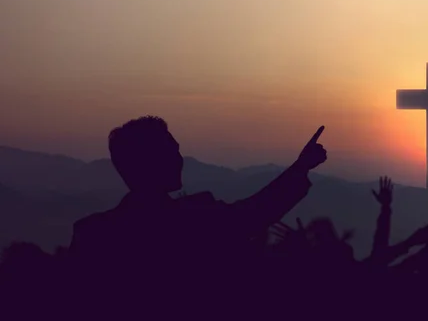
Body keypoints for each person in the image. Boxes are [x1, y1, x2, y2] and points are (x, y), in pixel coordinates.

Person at [67, 116, 327, 306]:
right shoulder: (192, 221)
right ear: (153, 161)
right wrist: (300, 168)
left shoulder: (91, 233)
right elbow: (252, 214)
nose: (180, 159)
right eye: (172, 151)